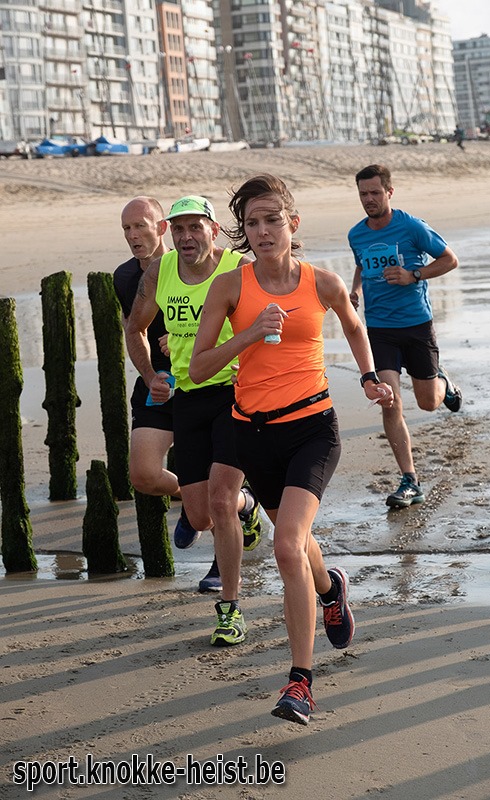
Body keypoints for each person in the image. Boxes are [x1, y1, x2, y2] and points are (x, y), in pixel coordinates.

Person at [189, 174, 393, 725]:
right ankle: (330, 589)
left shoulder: (321, 282)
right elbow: (199, 367)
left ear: (292, 224)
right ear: (243, 231)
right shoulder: (229, 288)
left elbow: (354, 325)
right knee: (296, 542)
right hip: (254, 435)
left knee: (285, 546)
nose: (262, 231)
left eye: (272, 220)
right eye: (252, 223)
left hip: (311, 431)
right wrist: (250, 333)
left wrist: (370, 377)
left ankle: (300, 683)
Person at [125, 194, 261, 644]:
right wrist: (150, 376)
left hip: (234, 395)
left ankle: (230, 610)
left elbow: (269, 328)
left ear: (213, 229)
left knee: (220, 502)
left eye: (195, 227)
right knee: (201, 516)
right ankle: (249, 506)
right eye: (179, 228)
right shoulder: (159, 272)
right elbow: (135, 327)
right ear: (170, 232)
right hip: (187, 396)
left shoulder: (239, 269)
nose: (187, 237)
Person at [115, 195, 219, 592]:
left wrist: (184, 343)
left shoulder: (198, 266)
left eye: (140, 226)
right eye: (126, 228)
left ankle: (220, 562)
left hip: (205, 382)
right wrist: (149, 375)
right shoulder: (125, 277)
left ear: (162, 229)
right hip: (158, 382)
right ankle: (190, 501)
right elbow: (133, 330)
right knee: (142, 474)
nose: (133, 235)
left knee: (215, 483)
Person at [348, 164, 462, 510]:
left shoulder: (411, 227)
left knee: (427, 402)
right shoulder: (356, 234)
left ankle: (443, 382)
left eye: (375, 193)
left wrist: (414, 275)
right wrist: (355, 291)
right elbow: (361, 264)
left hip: (416, 325)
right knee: (390, 401)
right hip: (380, 329)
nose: (369, 199)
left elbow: (449, 260)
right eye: (363, 194)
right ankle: (410, 480)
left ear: (389, 192)